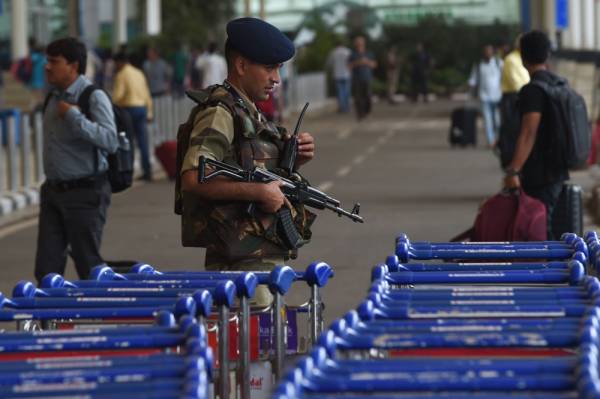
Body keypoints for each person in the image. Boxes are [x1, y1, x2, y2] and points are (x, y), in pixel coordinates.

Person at [177, 17, 316, 305]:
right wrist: (257, 192)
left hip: (259, 256)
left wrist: (294, 163)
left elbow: (249, 167)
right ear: (241, 66)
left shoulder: (248, 112)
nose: (276, 78)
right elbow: (192, 177)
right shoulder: (221, 113)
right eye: (269, 68)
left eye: (278, 68)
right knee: (252, 346)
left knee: (271, 342)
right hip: (240, 265)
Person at [34, 37, 118, 283]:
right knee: (46, 268)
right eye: (47, 61)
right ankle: (50, 320)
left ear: (72, 66)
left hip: (84, 193)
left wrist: (74, 117)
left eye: (54, 61)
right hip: (52, 193)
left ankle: (97, 318)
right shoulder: (53, 96)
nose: (47, 66)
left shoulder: (93, 96)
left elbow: (110, 140)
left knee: (88, 266)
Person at [503, 30, 569, 239]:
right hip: (558, 168)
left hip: (540, 174)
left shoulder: (533, 91)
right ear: (548, 55)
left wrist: (513, 170)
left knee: (541, 228)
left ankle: (547, 269)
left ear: (523, 57)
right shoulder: (559, 84)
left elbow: (528, 132)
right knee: (548, 225)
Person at [112, 52, 154, 181]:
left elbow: (118, 95)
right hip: (142, 109)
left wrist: (111, 106)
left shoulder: (121, 75)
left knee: (128, 142)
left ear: (119, 62)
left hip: (128, 110)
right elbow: (147, 93)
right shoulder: (138, 73)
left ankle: (128, 172)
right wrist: (150, 112)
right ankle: (147, 171)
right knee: (143, 142)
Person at [498, 35, 530, 167]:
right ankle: (513, 161)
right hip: (513, 98)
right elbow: (516, 83)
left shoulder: (524, 60)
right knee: (514, 131)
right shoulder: (511, 60)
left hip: (523, 95)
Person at [468, 45, 503, 148]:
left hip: (497, 96)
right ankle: (491, 141)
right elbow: (473, 80)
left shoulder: (498, 63)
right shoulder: (478, 65)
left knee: (497, 121)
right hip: (484, 97)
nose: (487, 53)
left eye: (489, 51)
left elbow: (504, 77)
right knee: (488, 121)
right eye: (485, 52)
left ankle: (498, 139)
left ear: (492, 53)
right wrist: (470, 90)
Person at [349, 36, 377, 120]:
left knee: (367, 96)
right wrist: (358, 62)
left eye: (360, 42)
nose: (359, 44)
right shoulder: (353, 54)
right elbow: (349, 66)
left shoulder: (369, 53)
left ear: (364, 43)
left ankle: (367, 111)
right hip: (356, 78)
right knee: (358, 97)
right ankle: (360, 114)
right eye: (357, 42)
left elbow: (374, 65)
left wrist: (367, 62)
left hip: (367, 78)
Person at [325, 39, 351, 113]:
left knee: (340, 92)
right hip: (347, 74)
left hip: (337, 75)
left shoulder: (333, 52)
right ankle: (346, 107)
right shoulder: (347, 51)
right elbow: (351, 62)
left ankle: (342, 108)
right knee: (346, 92)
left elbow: (329, 64)